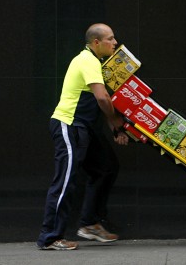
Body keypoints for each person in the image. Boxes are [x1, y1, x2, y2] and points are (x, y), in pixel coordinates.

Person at [36, 23, 130, 251]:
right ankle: (50, 237)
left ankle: (89, 223)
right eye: (110, 38)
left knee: (106, 167)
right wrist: (117, 122)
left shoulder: (94, 62)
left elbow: (101, 101)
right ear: (96, 43)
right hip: (69, 125)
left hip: (84, 128)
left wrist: (114, 126)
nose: (115, 43)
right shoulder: (87, 60)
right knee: (65, 181)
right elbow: (102, 98)